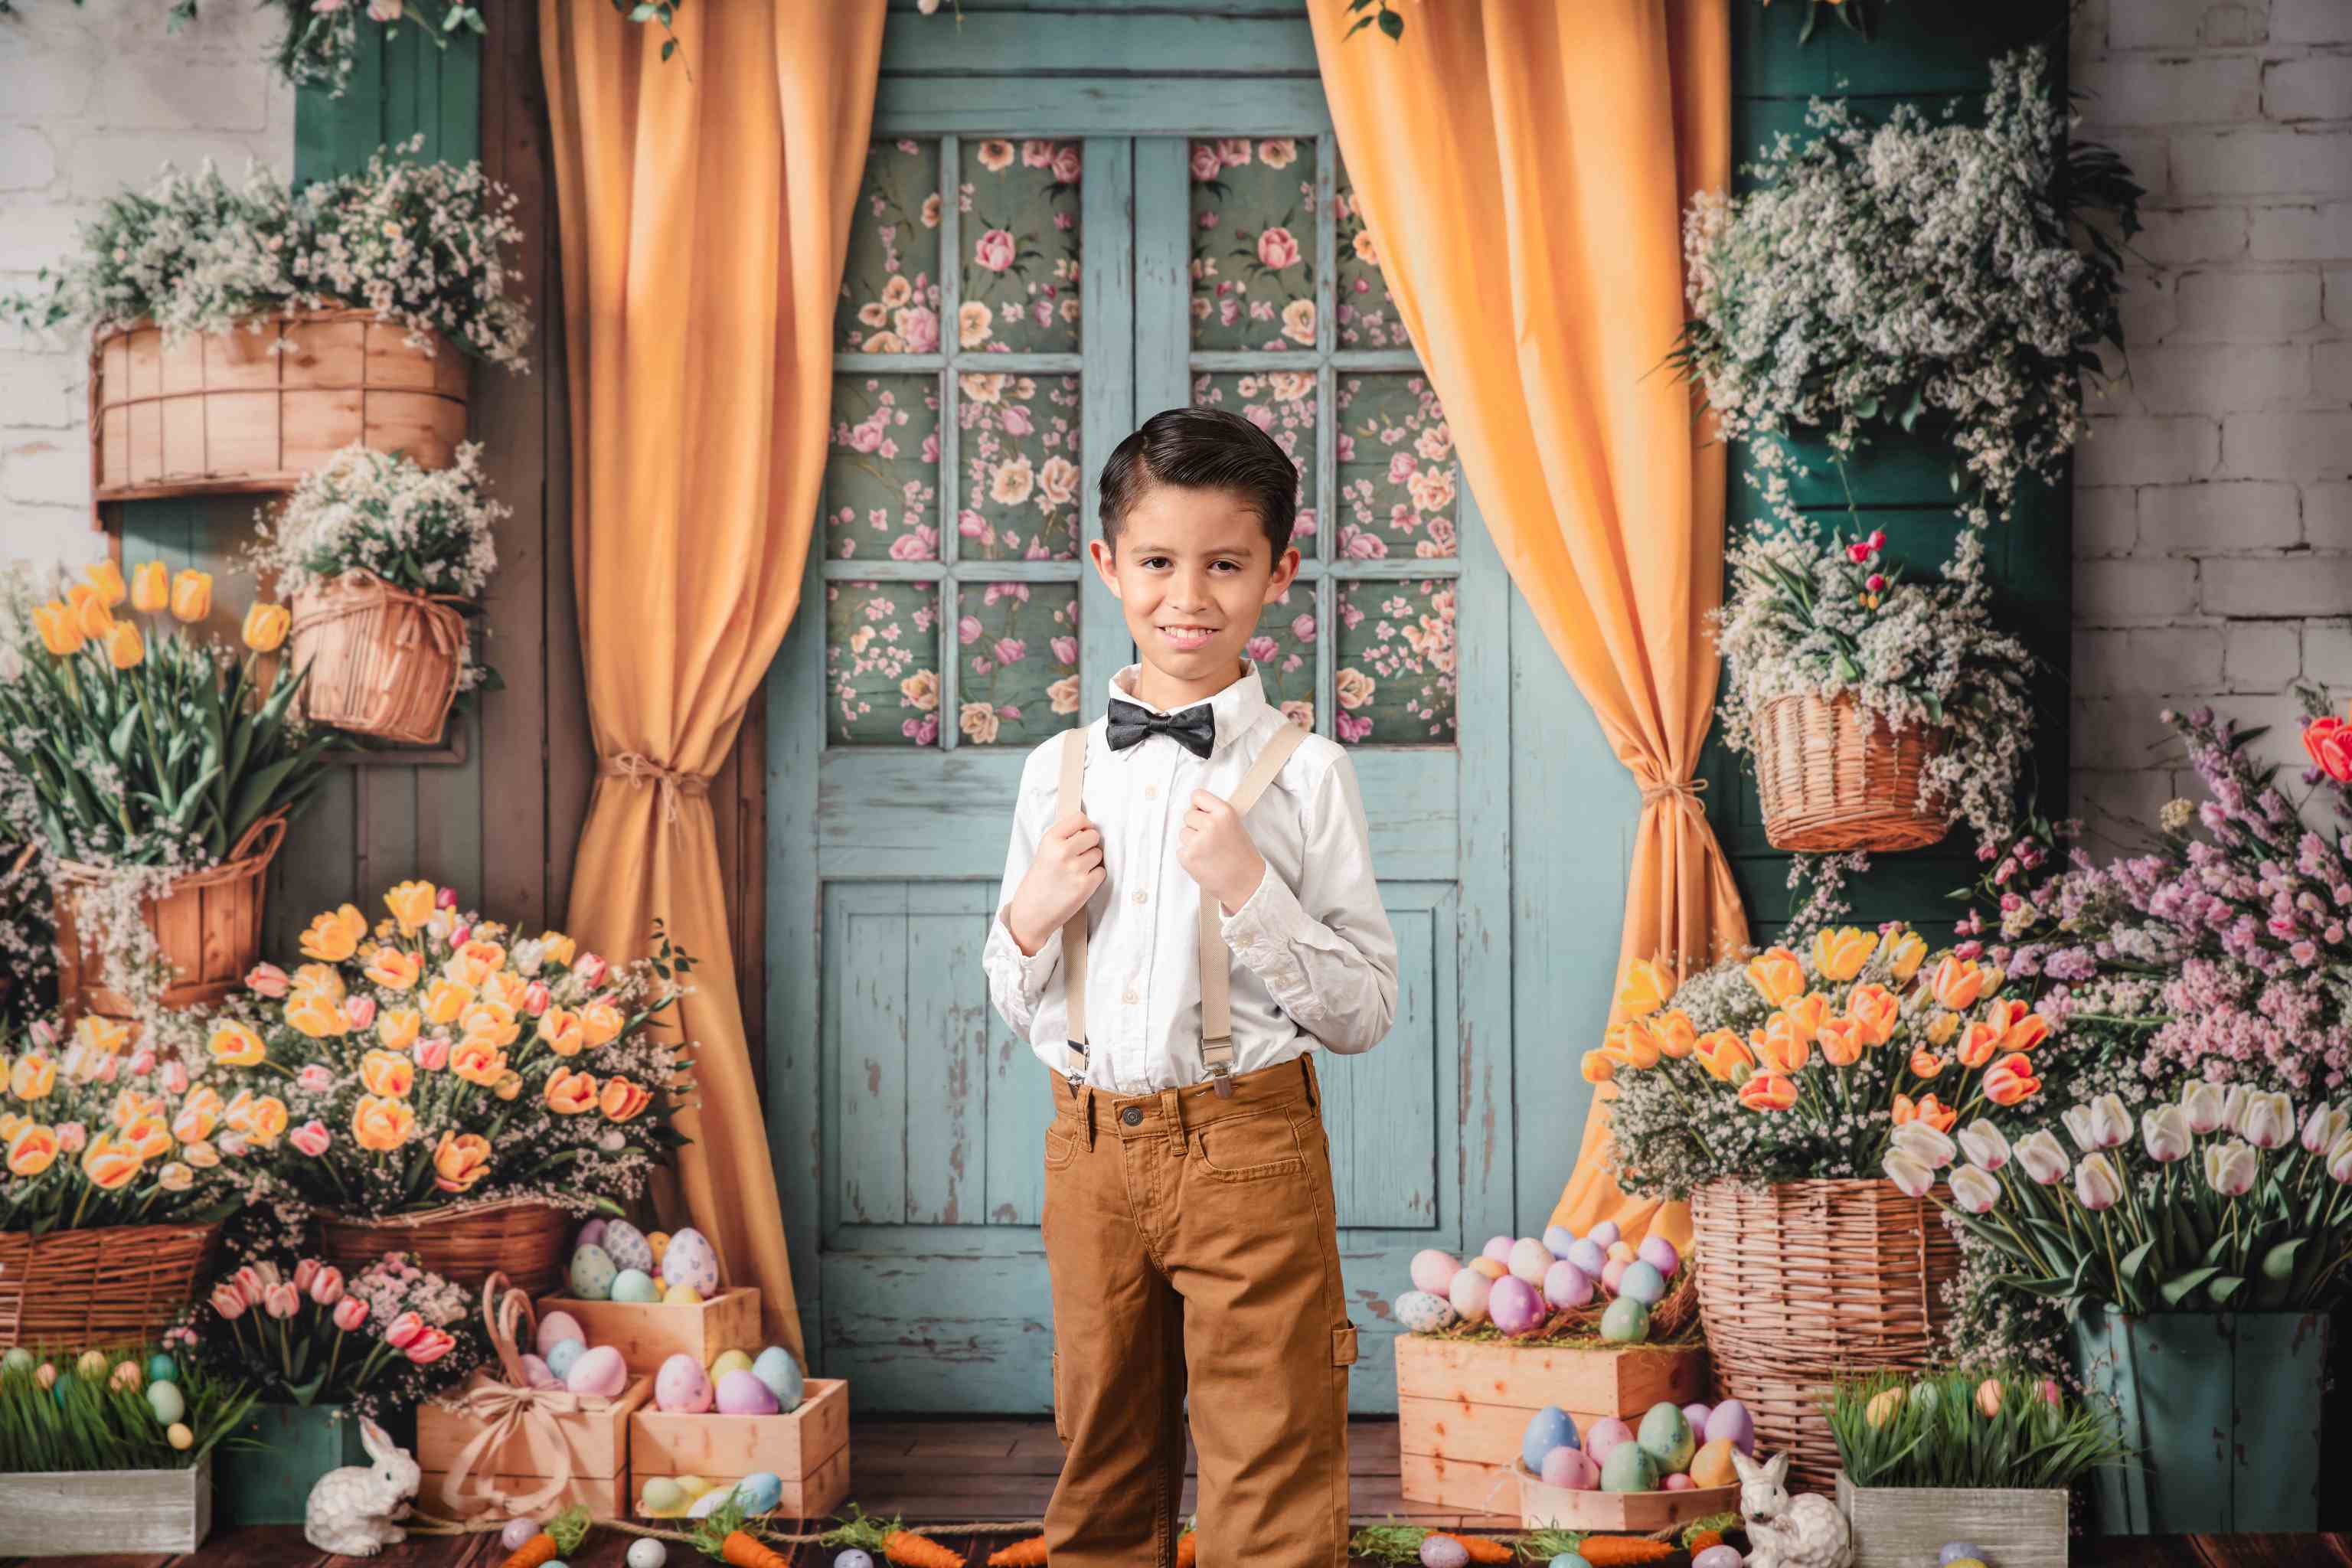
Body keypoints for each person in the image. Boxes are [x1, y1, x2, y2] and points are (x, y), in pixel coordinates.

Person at [984, 406, 1400, 1567]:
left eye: (1226, 564)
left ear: (1280, 570)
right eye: (1160, 563)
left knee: (1267, 1450)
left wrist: (1251, 891)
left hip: (1248, 1150)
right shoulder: (1056, 770)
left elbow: (1364, 1010)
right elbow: (1015, 992)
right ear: (1109, 564)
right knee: (1100, 1451)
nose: (1190, 597)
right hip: (1090, 1149)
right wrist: (1031, 915)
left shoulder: (1309, 778)